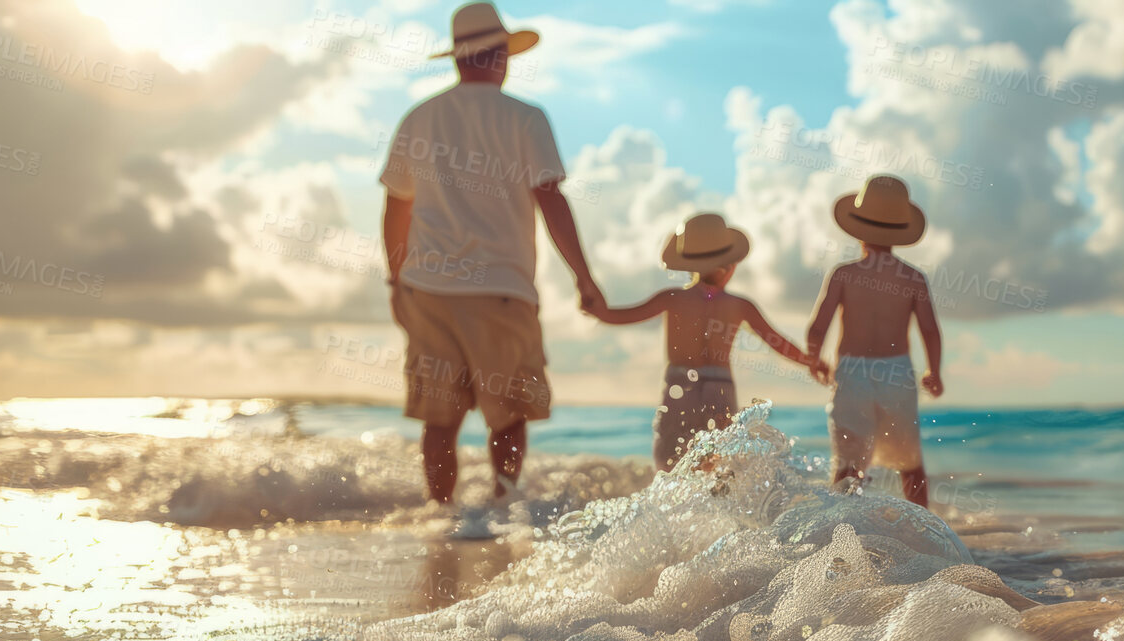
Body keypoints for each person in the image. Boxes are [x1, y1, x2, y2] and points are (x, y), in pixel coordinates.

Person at [379, 2, 604, 504]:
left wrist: (397, 280)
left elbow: (397, 207)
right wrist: (584, 280)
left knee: (440, 419)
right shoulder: (525, 118)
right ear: (499, 56)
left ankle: (443, 516)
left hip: (429, 288)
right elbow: (550, 199)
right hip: (502, 288)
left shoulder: (420, 116)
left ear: (458, 59)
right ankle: (499, 510)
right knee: (510, 413)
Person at [590, 213, 829, 471]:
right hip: (720, 388)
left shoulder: (671, 298)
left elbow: (622, 316)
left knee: (670, 461)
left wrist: (595, 307)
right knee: (714, 465)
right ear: (727, 265)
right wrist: (811, 362)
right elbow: (778, 342)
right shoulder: (740, 306)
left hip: (680, 385)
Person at [806, 174, 943, 507]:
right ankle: (927, 541)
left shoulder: (844, 274)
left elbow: (818, 327)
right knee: (910, 465)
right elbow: (929, 330)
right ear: (898, 231)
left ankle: (840, 537)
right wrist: (934, 372)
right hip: (896, 373)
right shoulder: (912, 278)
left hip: (852, 371)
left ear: (857, 229)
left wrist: (815, 359)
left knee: (848, 467)